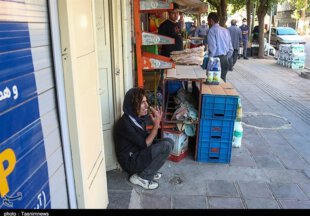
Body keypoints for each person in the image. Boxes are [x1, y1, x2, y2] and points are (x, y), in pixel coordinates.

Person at [114, 87, 174, 190]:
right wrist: (156, 126)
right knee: (166, 146)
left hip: (138, 152)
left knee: (169, 142)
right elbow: (145, 143)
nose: (147, 105)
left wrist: (157, 118)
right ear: (133, 105)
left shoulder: (136, 118)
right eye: (142, 103)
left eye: (146, 101)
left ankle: (149, 170)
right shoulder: (125, 124)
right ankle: (142, 177)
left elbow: (147, 140)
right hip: (130, 162)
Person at [207, 12, 233, 82]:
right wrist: (225, 57)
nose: (208, 23)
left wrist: (210, 61)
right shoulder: (225, 30)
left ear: (211, 21)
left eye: (208, 21)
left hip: (216, 61)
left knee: (214, 83)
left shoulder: (212, 30)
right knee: (222, 82)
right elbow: (231, 49)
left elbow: (213, 49)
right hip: (225, 60)